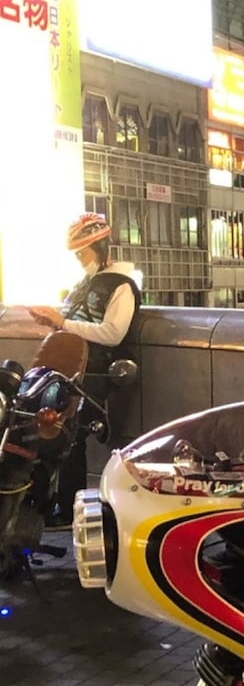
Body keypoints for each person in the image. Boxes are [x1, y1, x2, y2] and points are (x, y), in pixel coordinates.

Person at [28, 213, 140, 525]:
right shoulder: (86, 283)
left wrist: (63, 322)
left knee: (71, 436)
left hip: (96, 371)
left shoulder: (122, 285)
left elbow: (112, 333)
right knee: (46, 430)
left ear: (100, 248)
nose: (80, 260)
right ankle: (44, 502)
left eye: (83, 253)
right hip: (68, 366)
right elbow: (75, 320)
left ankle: (67, 508)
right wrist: (53, 320)